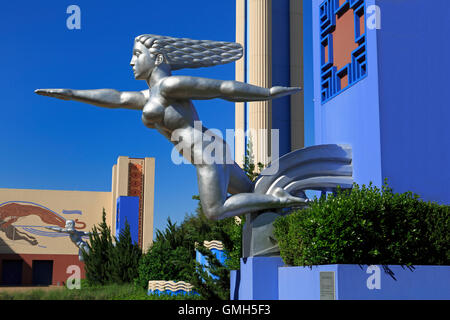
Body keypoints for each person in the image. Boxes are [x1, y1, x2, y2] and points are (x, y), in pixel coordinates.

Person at [36, 34, 308, 220]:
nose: (131, 62)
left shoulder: (169, 86)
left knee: (214, 211)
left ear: (157, 59)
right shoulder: (147, 97)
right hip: (209, 151)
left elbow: (221, 89)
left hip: (207, 154)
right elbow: (116, 98)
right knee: (252, 196)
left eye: (136, 54)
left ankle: (282, 200)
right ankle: (283, 210)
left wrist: (267, 93)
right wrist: (71, 93)